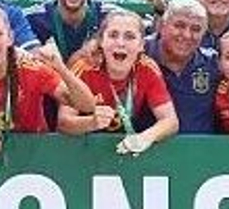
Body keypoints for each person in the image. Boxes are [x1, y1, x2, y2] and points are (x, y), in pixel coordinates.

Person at [0, 4, 95, 155]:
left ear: (10, 38)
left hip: (35, 154)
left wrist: (61, 68)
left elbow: (87, 106)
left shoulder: (32, 68)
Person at [59, 8, 179, 154]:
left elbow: (170, 121)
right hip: (83, 149)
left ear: (141, 45)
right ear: (101, 41)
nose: (120, 43)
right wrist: (92, 122)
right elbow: (63, 122)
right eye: (113, 35)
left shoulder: (147, 68)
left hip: (126, 146)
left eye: (129, 37)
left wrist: (146, 137)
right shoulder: (84, 68)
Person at [144, 0, 222, 134]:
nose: (186, 35)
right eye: (179, 26)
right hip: (145, 150)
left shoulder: (214, 63)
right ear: (162, 26)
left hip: (200, 152)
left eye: (196, 29)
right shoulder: (139, 54)